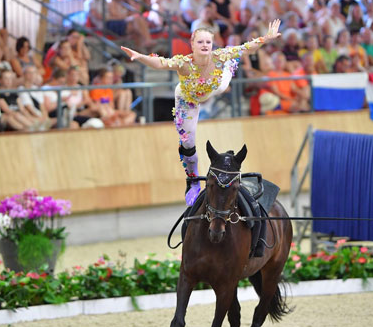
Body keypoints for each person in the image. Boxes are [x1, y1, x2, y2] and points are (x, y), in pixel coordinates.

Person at [121, 19, 282, 205]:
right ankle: (193, 181)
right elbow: (160, 63)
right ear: (192, 44)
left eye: (208, 42)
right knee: (187, 143)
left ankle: (230, 65)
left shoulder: (219, 55)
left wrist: (267, 38)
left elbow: (248, 48)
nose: (205, 45)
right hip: (187, 98)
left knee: (225, 77)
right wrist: (140, 56)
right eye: (200, 42)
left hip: (213, 88)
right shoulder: (184, 62)